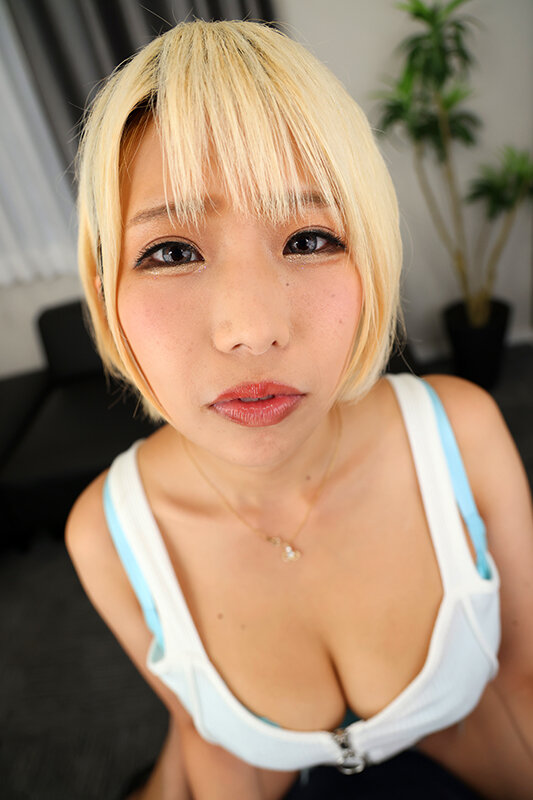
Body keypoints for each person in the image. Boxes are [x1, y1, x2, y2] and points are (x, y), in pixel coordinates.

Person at [66, 18, 533, 800]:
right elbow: (203, 737)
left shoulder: (462, 433)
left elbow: (521, 680)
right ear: (105, 288)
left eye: (310, 238)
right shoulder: (107, 534)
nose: (252, 331)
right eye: (171, 251)